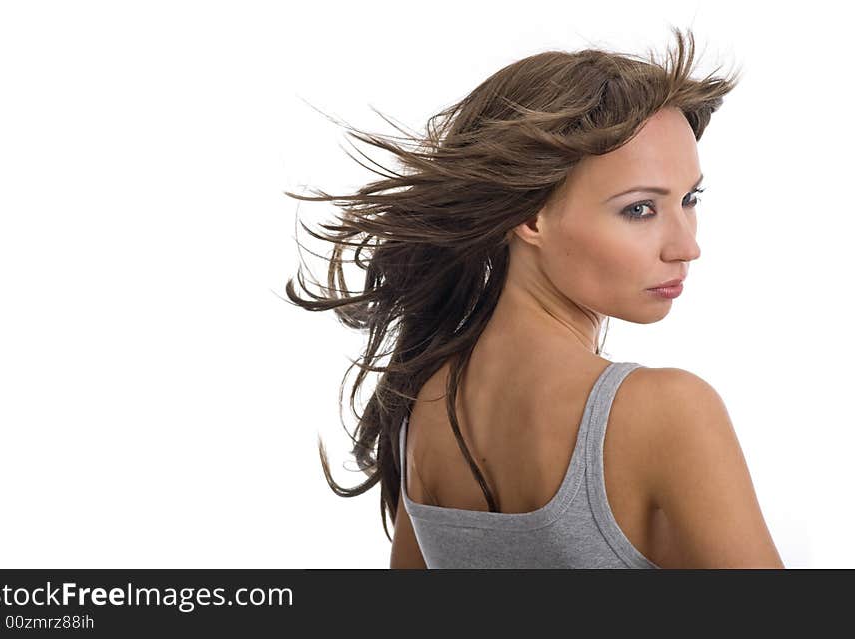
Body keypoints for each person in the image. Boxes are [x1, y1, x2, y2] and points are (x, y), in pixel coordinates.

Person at [283, 27, 784, 568]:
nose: (687, 245)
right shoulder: (666, 411)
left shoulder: (424, 406)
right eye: (639, 208)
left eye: (689, 199)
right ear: (530, 216)